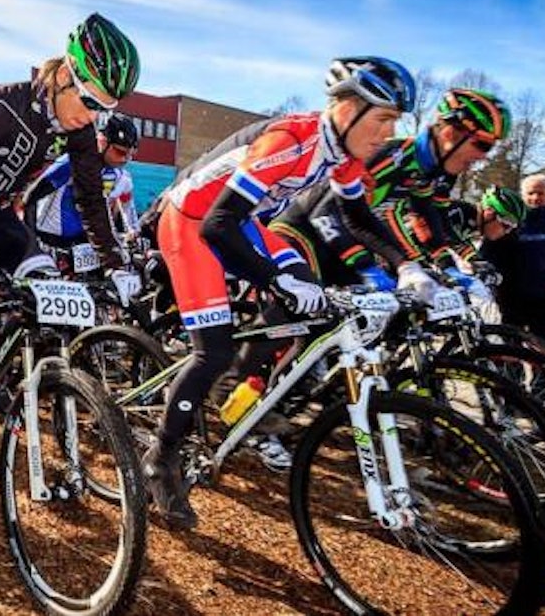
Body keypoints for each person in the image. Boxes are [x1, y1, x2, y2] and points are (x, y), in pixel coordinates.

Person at [147, 56, 420, 528]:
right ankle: (161, 457)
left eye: (393, 122)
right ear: (347, 108)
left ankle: (248, 392)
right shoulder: (290, 140)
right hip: (191, 221)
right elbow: (217, 224)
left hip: (243, 224)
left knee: (312, 295)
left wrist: (409, 266)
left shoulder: (344, 156)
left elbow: (357, 218)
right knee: (212, 350)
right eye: (382, 119)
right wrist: (275, 279)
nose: (387, 134)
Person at [0, 13, 143, 501]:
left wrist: (115, 259)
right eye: (91, 101)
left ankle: (24, 387)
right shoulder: (1, 106)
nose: (94, 117)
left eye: (106, 108)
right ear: (63, 75)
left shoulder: (76, 125)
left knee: (49, 302)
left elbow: (89, 196)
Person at [272, 88, 510, 292]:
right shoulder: (391, 156)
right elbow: (323, 214)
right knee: (306, 321)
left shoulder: (427, 170)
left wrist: (446, 266)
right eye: (482, 144)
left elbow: (427, 221)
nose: (483, 157)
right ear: (449, 134)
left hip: (341, 242)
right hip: (303, 230)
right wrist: (367, 265)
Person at [481, 174, 545, 357]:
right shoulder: (508, 215)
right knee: (510, 342)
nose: (535, 197)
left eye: (541, 193)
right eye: (531, 193)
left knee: (543, 343)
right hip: (511, 292)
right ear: (523, 194)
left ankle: (541, 383)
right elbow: (491, 248)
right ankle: (512, 382)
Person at [23, 113, 141, 261]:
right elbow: (29, 198)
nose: (125, 159)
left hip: (84, 243)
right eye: (120, 152)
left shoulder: (123, 178)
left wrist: (133, 232)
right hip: (49, 239)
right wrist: (31, 242)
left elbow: (128, 208)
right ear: (102, 142)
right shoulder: (69, 164)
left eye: (131, 154)